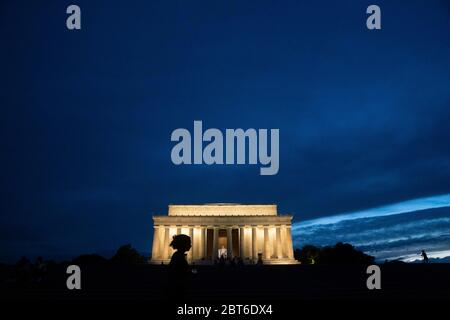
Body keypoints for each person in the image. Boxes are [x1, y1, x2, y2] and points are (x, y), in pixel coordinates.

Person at [167, 234, 192, 300]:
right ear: (183, 244)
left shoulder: (178, 255)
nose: (190, 245)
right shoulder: (178, 257)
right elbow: (179, 272)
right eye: (189, 243)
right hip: (178, 289)